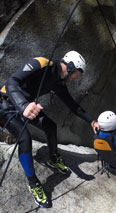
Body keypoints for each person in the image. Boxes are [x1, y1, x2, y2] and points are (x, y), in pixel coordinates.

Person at [0, 51, 100, 208]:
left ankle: (53, 158)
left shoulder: (58, 83)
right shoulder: (42, 63)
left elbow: (73, 106)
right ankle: (33, 183)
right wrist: (23, 105)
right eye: (77, 74)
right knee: (25, 138)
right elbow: (12, 82)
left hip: (26, 107)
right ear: (71, 66)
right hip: (6, 104)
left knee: (50, 126)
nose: (76, 78)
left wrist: (91, 121)